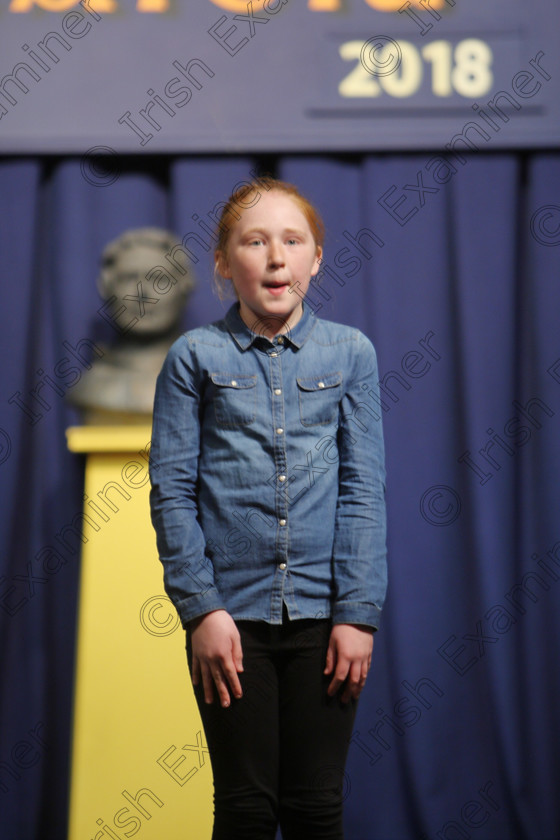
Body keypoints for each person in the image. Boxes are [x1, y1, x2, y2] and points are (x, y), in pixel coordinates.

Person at [149, 177, 387, 840]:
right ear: (225, 263)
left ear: (316, 257)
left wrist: (358, 615)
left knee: (315, 808)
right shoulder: (194, 357)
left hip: (324, 616)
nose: (275, 257)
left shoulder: (351, 353)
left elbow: (364, 490)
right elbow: (171, 490)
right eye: (254, 241)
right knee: (247, 809)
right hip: (230, 620)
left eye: (292, 240)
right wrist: (202, 610)